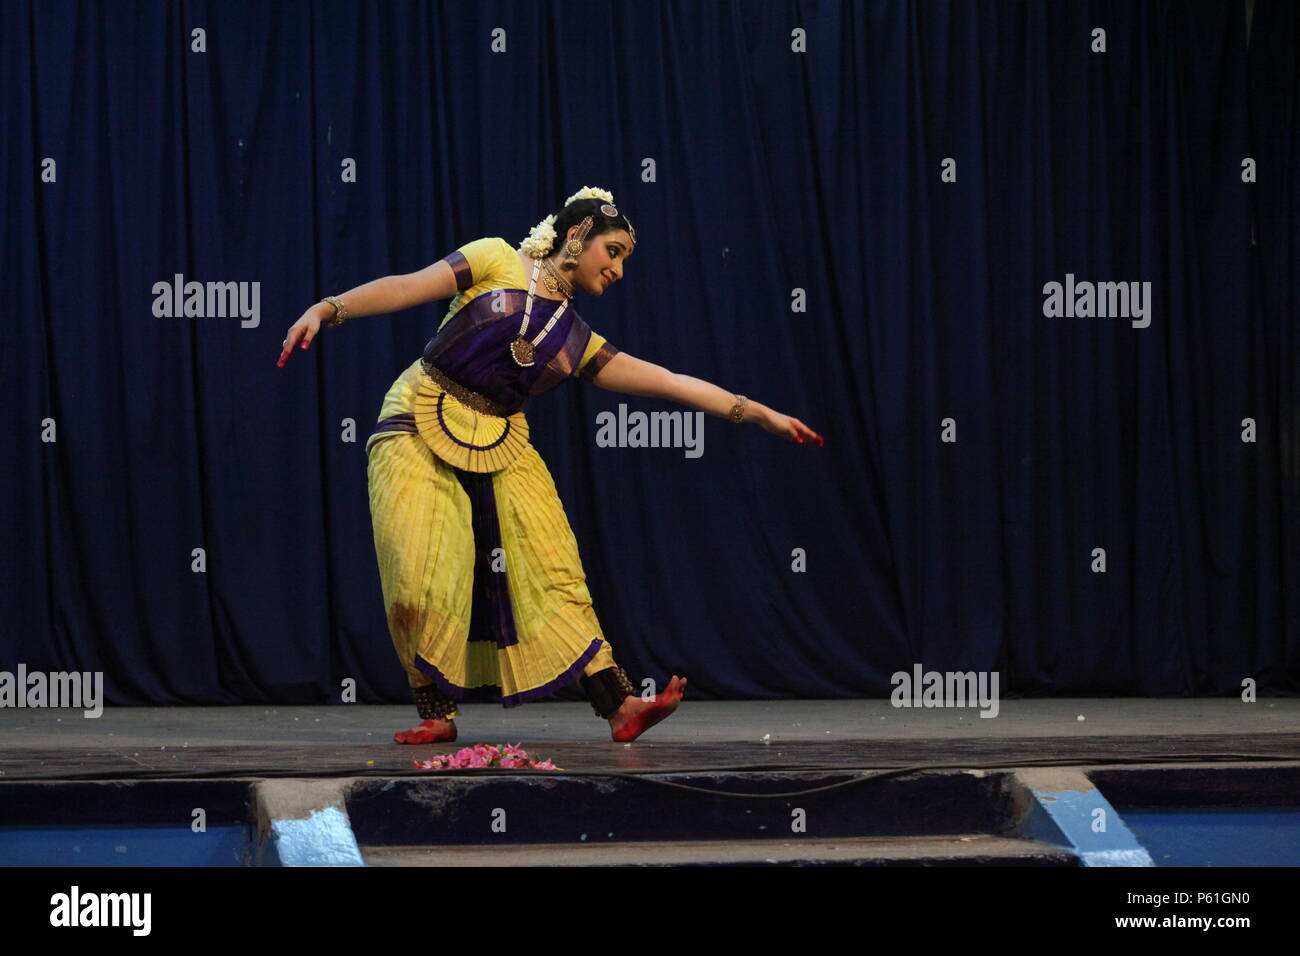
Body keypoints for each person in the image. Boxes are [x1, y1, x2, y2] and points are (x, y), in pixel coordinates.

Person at [278, 186, 823, 745]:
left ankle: (620, 705)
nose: (617, 270)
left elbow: (669, 381)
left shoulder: (575, 339)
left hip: (501, 438)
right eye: (612, 252)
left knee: (552, 564)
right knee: (419, 570)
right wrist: (328, 308)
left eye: (625, 261)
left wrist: (757, 413)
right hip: (418, 416)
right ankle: (437, 712)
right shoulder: (494, 258)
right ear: (578, 235)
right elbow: (407, 287)